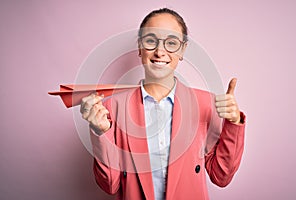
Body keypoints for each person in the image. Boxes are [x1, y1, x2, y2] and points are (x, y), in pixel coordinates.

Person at [80, 8, 246, 200]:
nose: (160, 51)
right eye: (151, 41)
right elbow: (109, 184)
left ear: (182, 50)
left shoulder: (206, 104)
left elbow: (221, 177)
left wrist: (233, 123)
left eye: (171, 43)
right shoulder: (112, 108)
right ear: (140, 48)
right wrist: (100, 132)